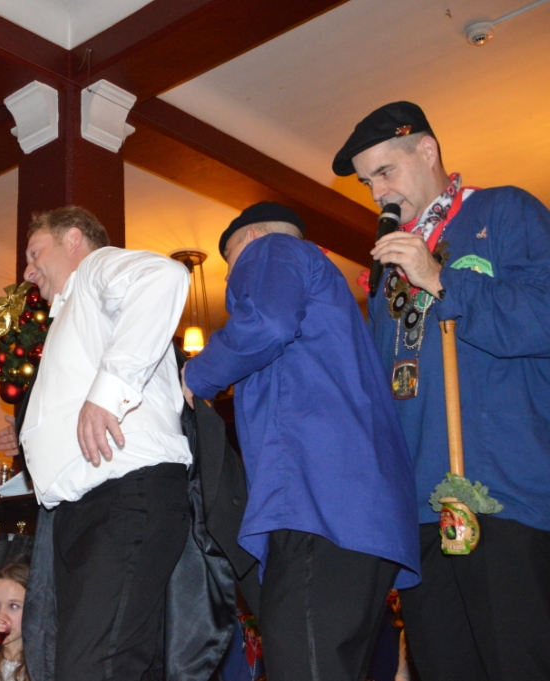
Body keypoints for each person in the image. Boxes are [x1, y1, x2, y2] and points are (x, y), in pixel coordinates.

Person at [332, 101, 550, 681]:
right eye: (367, 182)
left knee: (518, 662)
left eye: (385, 172)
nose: (377, 193)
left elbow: (545, 315)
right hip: (420, 509)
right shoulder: (388, 267)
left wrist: (438, 278)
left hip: (501, 493)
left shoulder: (503, 211)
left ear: (426, 150)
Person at [181, 201, 420, 681]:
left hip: (317, 503)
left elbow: (267, 322)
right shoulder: (333, 307)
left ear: (248, 241)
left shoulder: (272, 249)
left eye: (230, 265)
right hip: (364, 519)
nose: (230, 281)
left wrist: (194, 375)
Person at [15, 206, 192, 680]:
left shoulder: (94, 269)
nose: (28, 271)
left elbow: (164, 276)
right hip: (93, 509)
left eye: (35, 253)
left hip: (121, 498)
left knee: (89, 668)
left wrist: (107, 394)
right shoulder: (75, 313)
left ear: (73, 239)